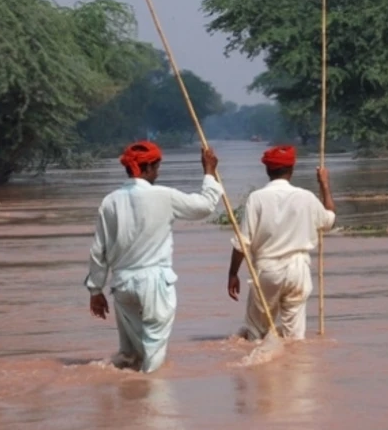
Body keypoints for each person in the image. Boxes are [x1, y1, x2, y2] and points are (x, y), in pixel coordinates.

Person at [86, 141, 222, 372]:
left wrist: (95, 290)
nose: (158, 173)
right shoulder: (164, 196)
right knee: (153, 356)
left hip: (122, 285)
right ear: (147, 168)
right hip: (154, 284)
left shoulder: (109, 201)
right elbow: (205, 206)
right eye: (157, 168)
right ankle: (152, 397)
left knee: (133, 353)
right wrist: (209, 173)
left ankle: (131, 397)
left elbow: (99, 250)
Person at [227, 145, 336, 341]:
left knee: (256, 332)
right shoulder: (307, 197)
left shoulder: (257, 198)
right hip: (298, 271)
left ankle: (259, 367)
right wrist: (324, 185)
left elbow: (242, 242)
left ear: (267, 170)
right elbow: (329, 220)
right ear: (292, 170)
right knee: (295, 337)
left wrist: (233, 273)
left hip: (268, 271)